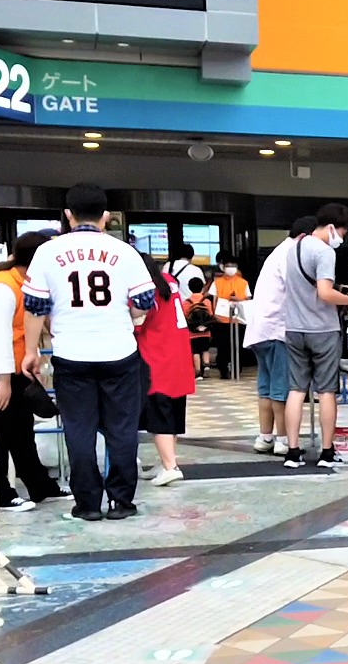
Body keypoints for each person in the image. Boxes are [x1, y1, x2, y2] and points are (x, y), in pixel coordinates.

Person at [22, 183, 154, 524]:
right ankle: (121, 501)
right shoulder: (124, 252)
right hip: (119, 352)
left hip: (71, 354)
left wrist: (30, 351)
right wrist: (124, 317)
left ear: (68, 215)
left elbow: (35, 306)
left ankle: (88, 504)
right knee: (122, 429)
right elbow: (144, 301)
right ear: (105, 216)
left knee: (78, 430)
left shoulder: (48, 252)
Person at [0, 231, 64, 512]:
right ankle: (0, 492)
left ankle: (40, 486)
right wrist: (3, 382)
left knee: (21, 430)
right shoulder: (0, 286)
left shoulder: (21, 283)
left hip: (13, 368)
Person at [280, 204, 348, 474]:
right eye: (342, 233)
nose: (341, 238)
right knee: (326, 391)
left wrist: (341, 289)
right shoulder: (325, 252)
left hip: (294, 327)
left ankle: (292, 452)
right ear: (332, 227)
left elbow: (309, 286)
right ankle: (327, 452)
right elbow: (324, 293)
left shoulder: (294, 249)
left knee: (296, 390)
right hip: (322, 330)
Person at [136, 254, 195, 487]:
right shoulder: (168, 281)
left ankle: (170, 467)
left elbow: (137, 321)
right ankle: (167, 461)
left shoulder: (144, 289)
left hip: (157, 355)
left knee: (159, 414)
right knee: (172, 412)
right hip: (179, 354)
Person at [246, 220, 302, 456]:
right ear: (304, 237)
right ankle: (282, 439)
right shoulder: (291, 254)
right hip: (277, 330)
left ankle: (265, 436)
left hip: (260, 330)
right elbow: (299, 289)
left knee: (266, 387)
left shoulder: (278, 252)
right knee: (281, 389)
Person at [208, 251, 249, 379]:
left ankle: (237, 368)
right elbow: (214, 299)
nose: (231, 268)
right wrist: (214, 314)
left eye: (233, 265)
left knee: (238, 346)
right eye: (228, 265)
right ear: (223, 267)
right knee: (223, 346)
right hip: (222, 319)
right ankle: (223, 369)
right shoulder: (217, 282)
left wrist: (238, 300)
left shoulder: (243, 283)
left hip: (238, 319)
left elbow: (248, 299)